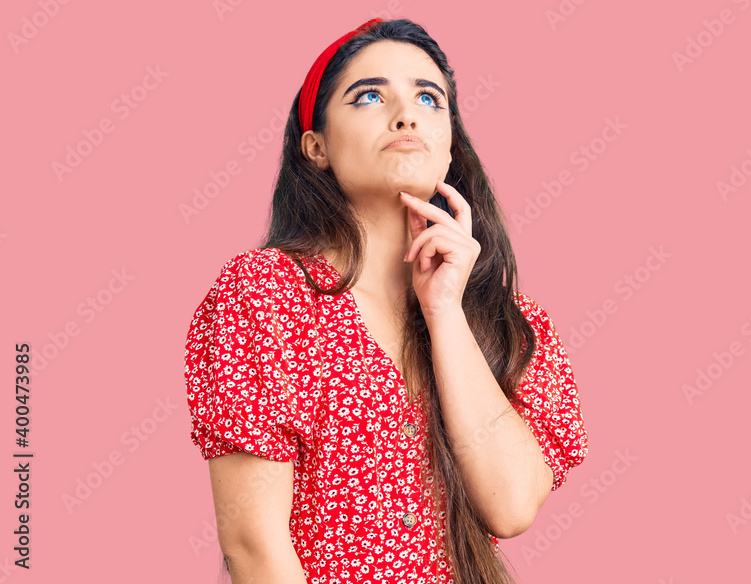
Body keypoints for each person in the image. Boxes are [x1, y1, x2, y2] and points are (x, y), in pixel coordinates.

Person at [184, 17, 588, 584]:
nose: (406, 114)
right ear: (316, 146)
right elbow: (254, 548)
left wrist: (444, 310)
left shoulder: (509, 322)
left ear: (449, 146)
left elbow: (512, 504)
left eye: (429, 97)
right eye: (369, 95)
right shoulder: (264, 295)